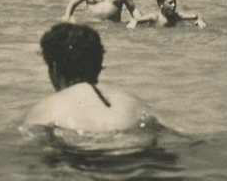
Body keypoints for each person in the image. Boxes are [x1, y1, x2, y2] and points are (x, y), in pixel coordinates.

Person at [23, 23, 160, 141]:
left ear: (54, 66)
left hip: (85, 160)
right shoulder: (134, 102)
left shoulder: (46, 110)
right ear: (98, 65)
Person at [129, 0, 205, 28]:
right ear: (161, 5)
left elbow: (196, 15)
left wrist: (200, 21)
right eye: (170, 3)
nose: (174, 5)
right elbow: (137, 19)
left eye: (175, 2)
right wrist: (134, 22)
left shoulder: (176, 16)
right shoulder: (155, 17)